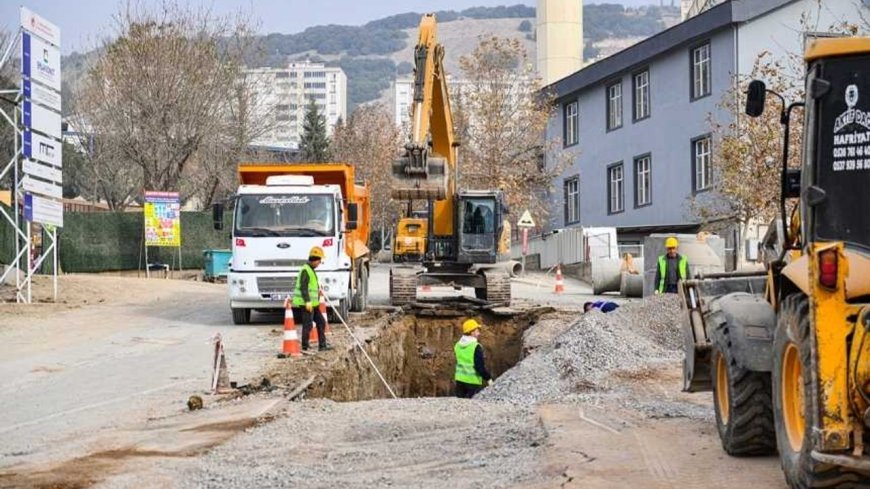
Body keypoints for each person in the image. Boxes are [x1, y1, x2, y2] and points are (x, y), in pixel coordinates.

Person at [291, 246, 332, 352]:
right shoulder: (306, 270)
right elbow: (303, 287)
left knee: (321, 322)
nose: (320, 263)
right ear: (314, 259)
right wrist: (307, 301)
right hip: (306, 304)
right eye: (319, 261)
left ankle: (322, 346)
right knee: (308, 324)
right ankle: (305, 346)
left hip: (314, 303)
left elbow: (311, 286)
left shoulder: (311, 270)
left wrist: (318, 288)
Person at [454, 319, 492, 398]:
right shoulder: (476, 347)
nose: (479, 333)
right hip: (472, 382)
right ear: (472, 332)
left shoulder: (457, 345)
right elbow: (479, 367)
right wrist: (488, 378)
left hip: (459, 380)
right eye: (477, 331)